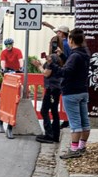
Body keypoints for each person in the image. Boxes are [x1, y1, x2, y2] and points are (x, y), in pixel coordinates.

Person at [46, 28, 90, 159]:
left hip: (71, 92)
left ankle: (74, 148)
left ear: (71, 40)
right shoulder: (84, 53)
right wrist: (63, 56)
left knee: (75, 122)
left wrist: (52, 64)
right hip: (83, 91)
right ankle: (82, 147)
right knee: (84, 121)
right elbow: (73, 66)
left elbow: (65, 72)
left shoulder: (75, 55)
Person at [33, 35, 65, 143]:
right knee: (54, 111)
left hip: (51, 88)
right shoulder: (60, 57)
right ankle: (55, 135)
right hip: (57, 87)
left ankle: (49, 134)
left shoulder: (52, 57)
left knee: (44, 110)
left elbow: (47, 73)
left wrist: (38, 66)